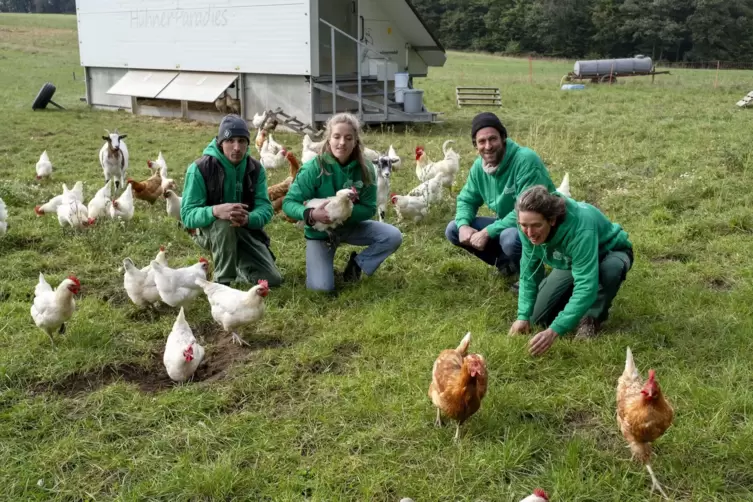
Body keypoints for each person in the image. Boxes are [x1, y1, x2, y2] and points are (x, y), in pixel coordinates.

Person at [282, 112, 402, 292]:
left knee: (392, 236)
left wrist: (341, 213)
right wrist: (310, 214)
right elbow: (289, 203)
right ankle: (323, 265)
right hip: (321, 232)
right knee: (321, 289)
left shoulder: (366, 168)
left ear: (356, 141)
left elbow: (369, 208)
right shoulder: (314, 167)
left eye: (348, 138)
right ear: (328, 139)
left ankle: (358, 264)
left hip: (350, 226)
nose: (342, 143)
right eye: (336, 137)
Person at [508, 186, 634, 356]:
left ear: (552, 220)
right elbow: (529, 274)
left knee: (609, 271)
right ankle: (573, 305)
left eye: (536, 225)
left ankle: (591, 318)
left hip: (608, 252)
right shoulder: (527, 227)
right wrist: (522, 315)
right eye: (524, 225)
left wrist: (555, 330)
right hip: (570, 261)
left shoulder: (580, 227)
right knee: (536, 318)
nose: (529, 233)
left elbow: (585, 286)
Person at [445, 112, 557, 288]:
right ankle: (507, 264)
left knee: (510, 237)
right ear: (475, 145)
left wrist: (488, 232)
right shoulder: (479, 167)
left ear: (503, 138)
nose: (488, 146)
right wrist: (464, 224)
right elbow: (467, 199)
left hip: (540, 225)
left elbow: (530, 211)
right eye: (481, 141)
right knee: (453, 229)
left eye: (493, 139)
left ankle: (534, 278)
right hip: (510, 224)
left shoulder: (525, 160)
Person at [180, 114, 282, 287]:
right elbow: (187, 216)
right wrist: (215, 211)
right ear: (221, 143)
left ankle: (237, 265)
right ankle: (222, 283)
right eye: (230, 140)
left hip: (243, 228)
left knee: (272, 280)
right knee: (224, 223)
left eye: (242, 141)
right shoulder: (199, 169)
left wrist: (248, 218)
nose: (237, 147)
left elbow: (265, 208)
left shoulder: (256, 169)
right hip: (209, 229)